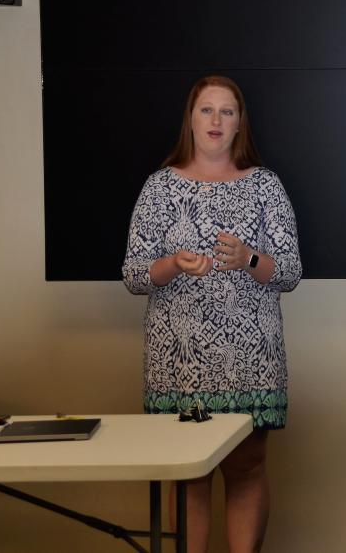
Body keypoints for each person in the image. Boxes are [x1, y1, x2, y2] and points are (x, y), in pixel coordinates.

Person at [123, 75, 302, 553]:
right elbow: (135, 275)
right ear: (191, 119)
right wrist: (172, 264)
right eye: (207, 110)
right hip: (181, 367)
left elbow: (289, 272)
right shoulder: (160, 187)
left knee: (246, 469)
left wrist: (248, 257)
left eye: (227, 111)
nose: (216, 120)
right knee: (190, 474)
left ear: (240, 123)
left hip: (250, 363)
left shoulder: (265, 186)